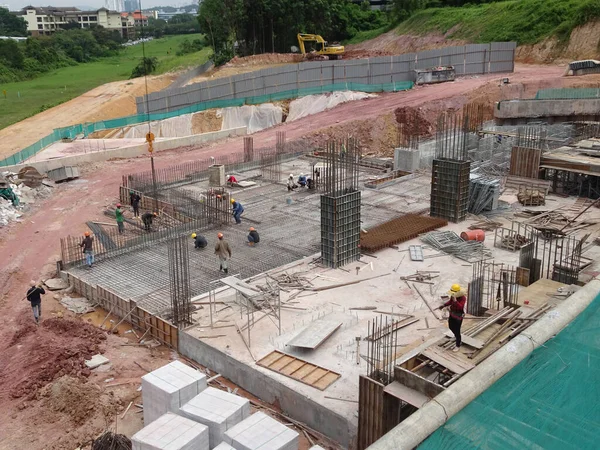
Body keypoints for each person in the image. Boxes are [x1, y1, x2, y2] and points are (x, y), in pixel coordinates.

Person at [437, 284, 467, 352]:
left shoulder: (463, 298)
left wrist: (455, 301)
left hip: (459, 316)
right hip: (452, 314)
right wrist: (444, 305)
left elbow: (460, 307)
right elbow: (450, 302)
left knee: (457, 330)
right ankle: (455, 336)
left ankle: (458, 345)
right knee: (450, 326)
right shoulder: (453, 296)